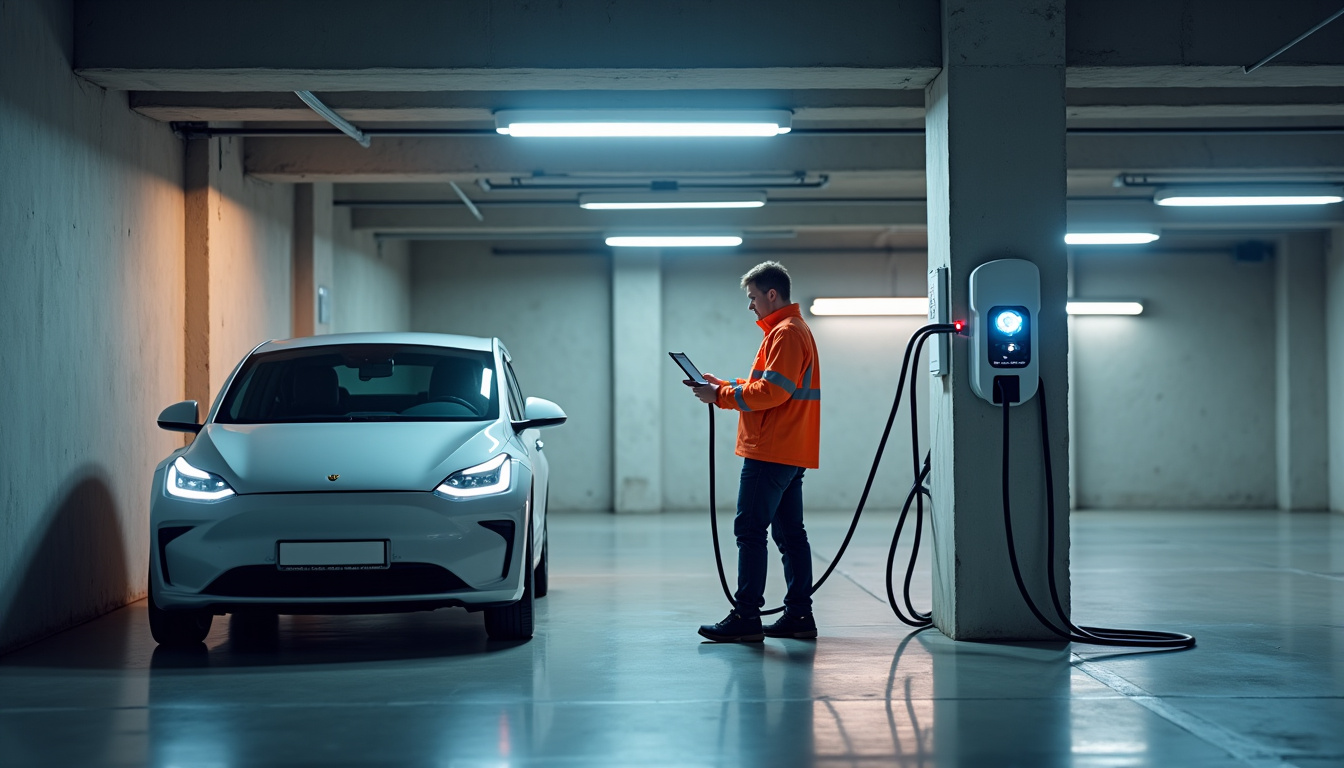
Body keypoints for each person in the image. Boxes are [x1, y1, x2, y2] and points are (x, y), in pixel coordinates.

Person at [692, 261, 821, 642]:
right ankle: (799, 615)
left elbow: (772, 393)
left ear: (771, 294)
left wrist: (719, 396)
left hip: (771, 450)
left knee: (750, 531)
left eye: (752, 298)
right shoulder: (789, 332)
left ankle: (746, 616)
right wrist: (725, 385)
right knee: (790, 534)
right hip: (788, 448)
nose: (750, 306)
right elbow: (766, 384)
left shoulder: (786, 333)